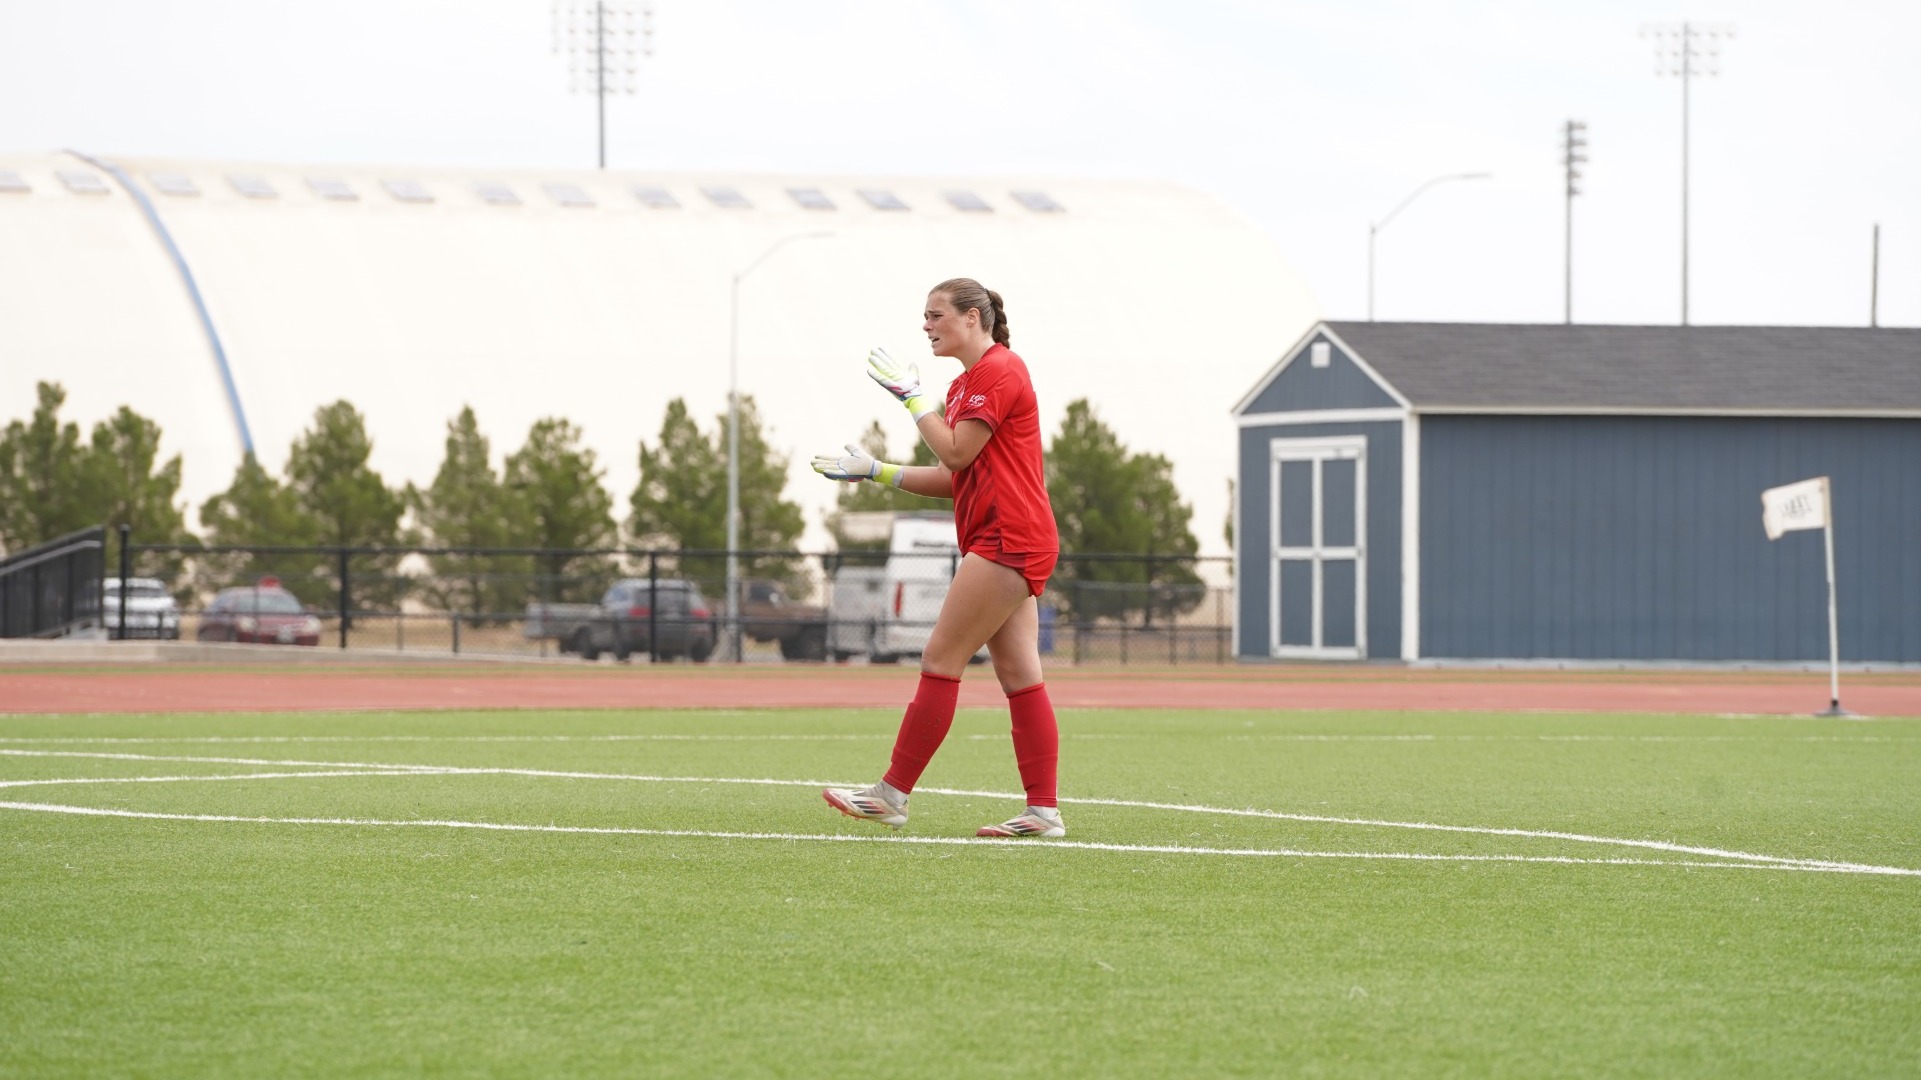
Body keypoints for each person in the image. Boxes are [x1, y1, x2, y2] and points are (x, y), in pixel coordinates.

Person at [811, 278, 1065, 838]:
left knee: (939, 657)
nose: (926, 326)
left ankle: (892, 795)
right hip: (1010, 536)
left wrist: (910, 399)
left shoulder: (999, 370)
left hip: (1007, 537)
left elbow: (954, 449)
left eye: (935, 315)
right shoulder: (972, 383)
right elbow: (958, 476)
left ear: (973, 318)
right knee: (1020, 673)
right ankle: (1043, 812)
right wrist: (876, 471)